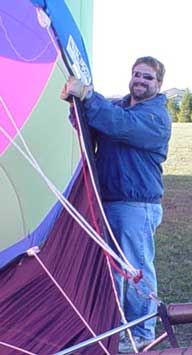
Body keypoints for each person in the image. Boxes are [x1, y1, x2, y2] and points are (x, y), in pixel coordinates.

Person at [61, 56, 171, 353]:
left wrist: (88, 97)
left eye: (147, 77)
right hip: (108, 200)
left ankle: (143, 331)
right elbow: (92, 126)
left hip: (137, 205)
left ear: (158, 84)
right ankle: (116, 328)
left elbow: (120, 126)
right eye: (136, 74)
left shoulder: (155, 117)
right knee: (112, 271)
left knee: (135, 270)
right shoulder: (117, 107)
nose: (140, 80)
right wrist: (76, 104)